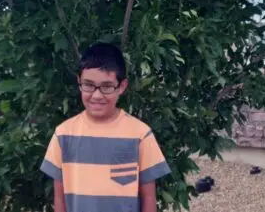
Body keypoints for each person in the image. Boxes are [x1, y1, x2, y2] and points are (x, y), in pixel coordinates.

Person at [40, 42, 171, 212]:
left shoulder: (140, 135)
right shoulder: (63, 135)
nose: (96, 95)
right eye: (88, 85)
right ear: (79, 82)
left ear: (122, 86)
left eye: (107, 86)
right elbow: (59, 197)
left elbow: (148, 197)